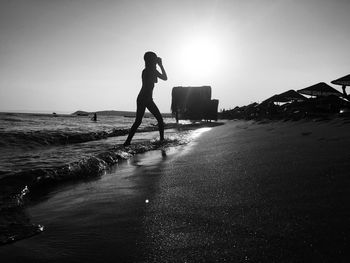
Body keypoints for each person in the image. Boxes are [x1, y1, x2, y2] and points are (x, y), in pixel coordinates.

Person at [123, 51, 168, 146]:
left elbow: (165, 78)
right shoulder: (147, 71)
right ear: (151, 60)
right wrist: (160, 65)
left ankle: (161, 140)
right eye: (155, 59)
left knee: (150, 120)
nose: (156, 61)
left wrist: (160, 65)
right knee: (141, 121)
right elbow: (163, 78)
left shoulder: (151, 70)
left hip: (147, 99)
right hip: (144, 98)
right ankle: (127, 142)